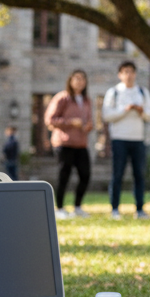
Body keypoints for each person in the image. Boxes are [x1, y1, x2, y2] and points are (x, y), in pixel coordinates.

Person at [102, 61, 150, 220]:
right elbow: (107, 115)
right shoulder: (114, 92)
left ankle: (139, 209)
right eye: (125, 72)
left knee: (139, 175)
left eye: (131, 71)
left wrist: (141, 110)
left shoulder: (142, 92)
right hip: (119, 139)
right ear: (120, 75)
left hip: (137, 139)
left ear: (135, 74)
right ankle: (115, 209)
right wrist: (124, 110)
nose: (129, 75)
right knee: (117, 174)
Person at [45, 69, 93, 219]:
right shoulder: (62, 98)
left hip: (81, 143)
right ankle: (59, 208)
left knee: (85, 174)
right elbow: (50, 120)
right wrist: (70, 123)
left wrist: (88, 126)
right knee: (64, 175)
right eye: (77, 78)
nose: (80, 82)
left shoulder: (86, 100)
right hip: (64, 143)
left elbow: (89, 119)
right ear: (70, 81)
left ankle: (77, 207)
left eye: (83, 79)